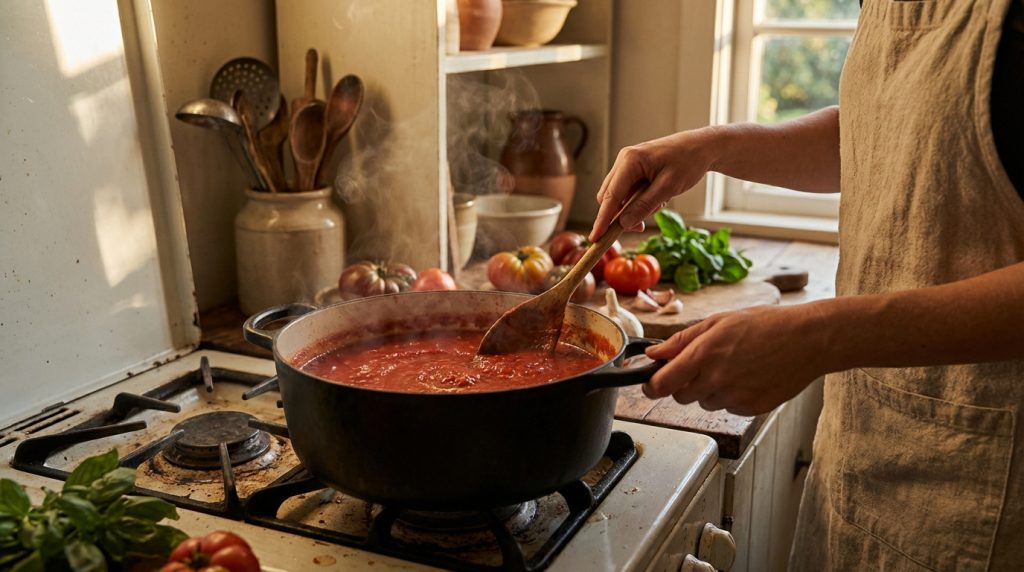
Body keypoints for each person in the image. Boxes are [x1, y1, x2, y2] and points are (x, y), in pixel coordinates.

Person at [589, 0, 1024, 568]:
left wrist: (821, 336)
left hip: (988, 486)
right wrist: (714, 147)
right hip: (863, 448)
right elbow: (887, 133)